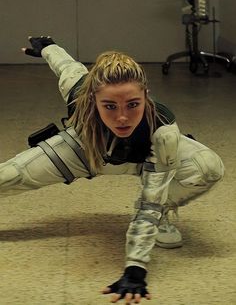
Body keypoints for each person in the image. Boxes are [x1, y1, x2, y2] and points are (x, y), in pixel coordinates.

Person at [0, 36, 224, 304]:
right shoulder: (79, 91)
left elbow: (149, 202)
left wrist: (135, 268)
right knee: (9, 176)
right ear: (93, 98)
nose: (121, 117)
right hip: (83, 150)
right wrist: (47, 46)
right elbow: (65, 66)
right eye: (109, 106)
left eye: (132, 104)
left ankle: (167, 213)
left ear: (145, 97)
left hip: (143, 155)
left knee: (207, 167)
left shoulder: (162, 131)